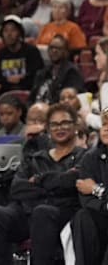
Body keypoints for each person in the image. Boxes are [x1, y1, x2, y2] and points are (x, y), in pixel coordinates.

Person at [0, 104, 85, 265]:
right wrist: (54, 184)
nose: (59, 128)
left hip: (61, 213)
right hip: (26, 212)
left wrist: (39, 180)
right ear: (48, 129)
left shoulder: (83, 156)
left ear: (75, 126)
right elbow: (16, 189)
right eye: (54, 124)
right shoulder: (34, 158)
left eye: (65, 123)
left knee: (42, 212)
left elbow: (71, 183)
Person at [72, 109, 108, 264]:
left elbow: (90, 190)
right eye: (104, 124)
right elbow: (85, 198)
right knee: (83, 216)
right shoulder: (90, 158)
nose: (106, 128)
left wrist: (97, 190)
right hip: (102, 215)